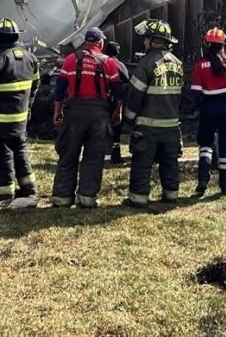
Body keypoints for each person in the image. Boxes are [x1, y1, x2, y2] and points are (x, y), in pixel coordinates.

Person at [51, 27, 124, 208]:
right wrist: (117, 112)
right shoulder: (108, 62)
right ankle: (87, 197)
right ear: (100, 43)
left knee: (68, 154)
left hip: (74, 113)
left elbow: (59, 90)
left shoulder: (70, 60)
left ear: (86, 42)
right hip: (99, 115)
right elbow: (118, 92)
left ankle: (62, 198)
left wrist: (57, 112)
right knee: (94, 156)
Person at [0, 19, 41, 201]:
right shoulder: (30, 58)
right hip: (20, 119)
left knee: (2, 154)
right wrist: (27, 107)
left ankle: (4, 192)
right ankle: (28, 187)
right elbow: (35, 85)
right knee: (20, 149)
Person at [124, 19, 185, 208]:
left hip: (148, 127)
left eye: (145, 39)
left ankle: (138, 198)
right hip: (171, 126)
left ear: (152, 40)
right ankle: (171, 195)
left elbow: (135, 95)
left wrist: (128, 118)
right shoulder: (178, 63)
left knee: (142, 162)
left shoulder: (147, 63)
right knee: (169, 162)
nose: (143, 43)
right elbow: (180, 96)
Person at [190, 28, 226, 197]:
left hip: (209, 108)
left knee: (206, 145)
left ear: (206, 44)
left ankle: (202, 180)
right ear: (223, 45)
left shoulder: (200, 65)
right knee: (225, 149)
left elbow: (195, 90)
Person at [102, 40, 130, 164]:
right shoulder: (120, 65)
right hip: (118, 100)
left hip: (104, 99)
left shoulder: (103, 63)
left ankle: (101, 152)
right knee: (117, 127)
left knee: (101, 127)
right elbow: (127, 80)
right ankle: (116, 154)